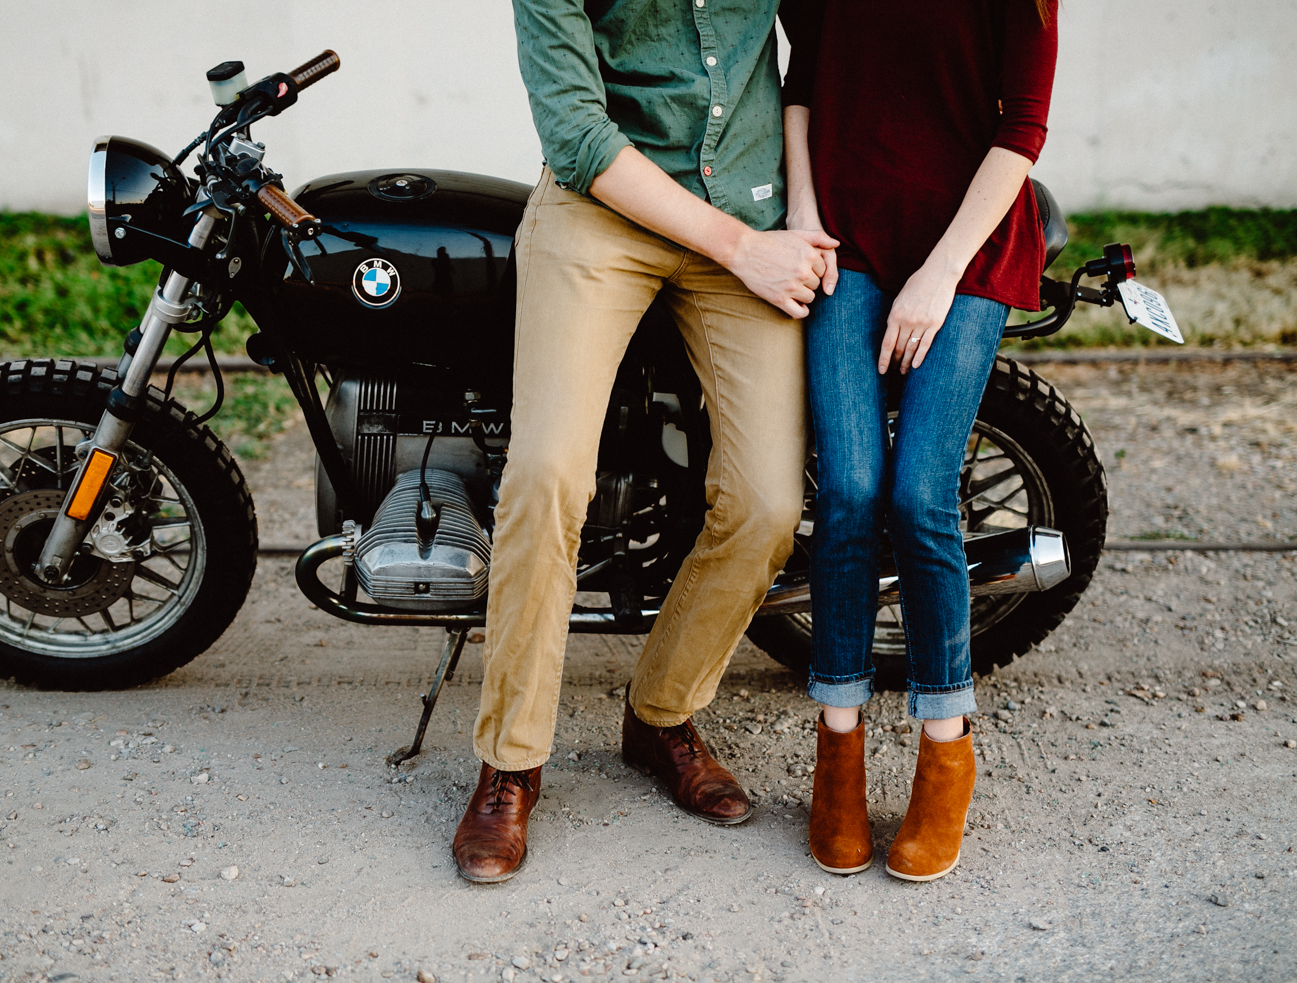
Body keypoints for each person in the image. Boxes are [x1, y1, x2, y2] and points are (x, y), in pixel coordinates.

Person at [452, 0, 836, 883]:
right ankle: (510, 764)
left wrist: (800, 217)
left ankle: (661, 713)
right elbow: (577, 131)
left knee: (770, 504)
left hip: (749, 203)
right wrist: (747, 249)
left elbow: (823, 51)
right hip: (605, 209)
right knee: (547, 475)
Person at [781, 0, 1059, 881]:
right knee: (851, 491)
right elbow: (803, 83)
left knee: (919, 495)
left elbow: (1023, 129)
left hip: (966, 254)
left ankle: (946, 748)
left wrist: (938, 277)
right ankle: (840, 743)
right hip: (849, 238)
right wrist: (802, 215)